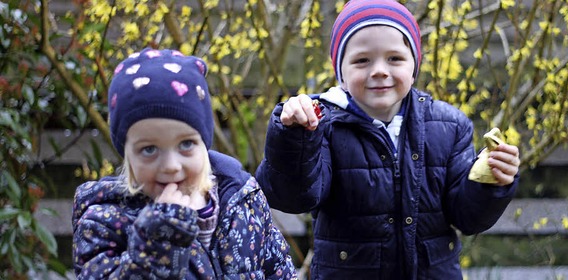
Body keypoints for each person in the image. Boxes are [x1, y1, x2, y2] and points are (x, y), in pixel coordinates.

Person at [255, 0, 520, 279]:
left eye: (394, 59)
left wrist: (492, 182)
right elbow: (294, 197)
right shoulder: (321, 125)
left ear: (414, 66)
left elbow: (467, 217)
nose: (380, 70)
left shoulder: (449, 126)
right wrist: (295, 138)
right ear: (340, 72)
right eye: (361, 61)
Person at [72, 48, 297, 279]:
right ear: (127, 154)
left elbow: (280, 271)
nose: (171, 165)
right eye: (149, 149)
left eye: (186, 144)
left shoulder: (243, 199)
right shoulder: (104, 223)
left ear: (204, 141)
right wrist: (158, 241)